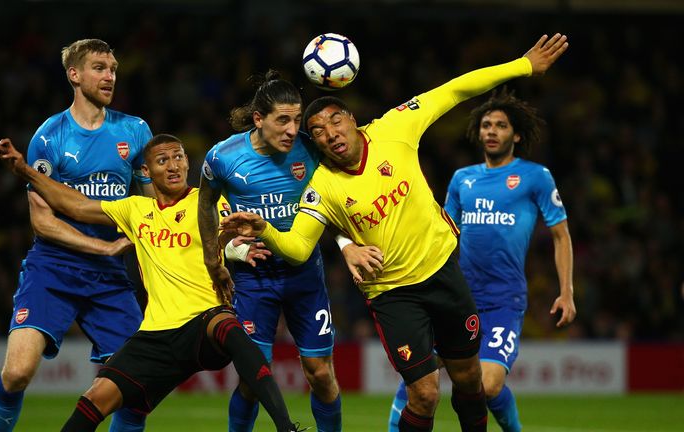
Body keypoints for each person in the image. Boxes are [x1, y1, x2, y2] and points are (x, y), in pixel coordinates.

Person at [220, 34, 569, 432]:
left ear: (353, 120)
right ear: (314, 143)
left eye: (336, 120)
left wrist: (523, 65)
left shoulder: (395, 127)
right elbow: (299, 249)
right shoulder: (323, 186)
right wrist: (266, 229)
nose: (330, 132)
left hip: (442, 272)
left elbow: (454, 90)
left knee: (470, 379)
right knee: (424, 394)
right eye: (317, 130)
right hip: (393, 294)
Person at [0, 134, 306, 432]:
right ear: (146, 171)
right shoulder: (136, 209)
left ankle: (286, 427)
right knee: (94, 399)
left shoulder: (206, 202)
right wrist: (24, 170)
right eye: (163, 160)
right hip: (154, 337)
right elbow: (74, 205)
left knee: (231, 330)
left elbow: (225, 237)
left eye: (179, 157)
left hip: (204, 323)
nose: (174, 166)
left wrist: (242, 246)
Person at [0, 39, 155, 432]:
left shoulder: (135, 130)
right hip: (54, 268)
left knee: (137, 385)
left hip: (110, 278)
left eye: (113, 68)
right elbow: (42, 222)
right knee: (16, 373)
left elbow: (151, 203)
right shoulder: (51, 136)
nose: (110, 75)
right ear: (74, 75)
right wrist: (105, 245)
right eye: (99, 67)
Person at [198, 70, 381, 432]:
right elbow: (205, 205)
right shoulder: (223, 157)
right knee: (253, 378)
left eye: (296, 120)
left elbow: (335, 197)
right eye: (282, 120)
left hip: (305, 276)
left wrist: (345, 244)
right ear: (258, 119)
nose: (291, 129)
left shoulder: (310, 148)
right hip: (253, 279)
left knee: (320, 372)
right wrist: (215, 259)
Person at [388, 88, 576, 432]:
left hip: (504, 297)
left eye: (501, 125)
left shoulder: (535, 177)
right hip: (459, 295)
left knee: (487, 386)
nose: (491, 131)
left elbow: (561, 235)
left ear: (516, 134)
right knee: (418, 377)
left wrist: (567, 292)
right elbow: (445, 233)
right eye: (486, 124)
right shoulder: (463, 179)